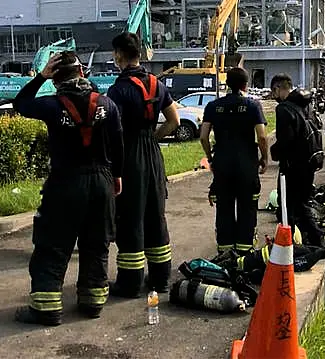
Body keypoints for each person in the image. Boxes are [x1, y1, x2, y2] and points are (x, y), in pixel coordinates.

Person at [12, 52, 123, 324]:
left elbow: (20, 104)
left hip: (65, 182)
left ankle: (46, 307)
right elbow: (118, 145)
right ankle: (92, 302)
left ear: (56, 78)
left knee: (53, 243)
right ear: (82, 72)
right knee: (97, 242)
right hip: (101, 181)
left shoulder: (51, 106)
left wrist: (40, 76)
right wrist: (117, 176)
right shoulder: (107, 104)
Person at [106, 32, 180, 298]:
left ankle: (130, 282)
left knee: (130, 217)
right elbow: (174, 121)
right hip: (152, 153)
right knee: (155, 214)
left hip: (130, 156)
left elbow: (111, 130)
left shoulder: (118, 90)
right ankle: (161, 279)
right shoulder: (157, 85)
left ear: (119, 55)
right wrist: (153, 138)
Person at [200, 67, 268, 255]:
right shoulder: (253, 106)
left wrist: (211, 157)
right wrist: (264, 158)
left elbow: (204, 136)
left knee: (224, 209)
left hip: (222, 165)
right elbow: (262, 137)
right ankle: (244, 254)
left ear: (227, 83)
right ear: (246, 84)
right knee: (247, 209)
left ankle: (225, 253)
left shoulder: (213, 106)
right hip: (247, 165)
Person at [269, 73, 324, 248]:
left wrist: (275, 151)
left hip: (292, 167)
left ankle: (295, 245)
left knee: (287, 209)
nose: (272, 96)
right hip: (309, 164)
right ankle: (310, 241)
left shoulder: (284, 109)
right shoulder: (306, 105)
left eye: (273, 91)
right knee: (301, 205)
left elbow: (286, 140)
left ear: (278, 88)